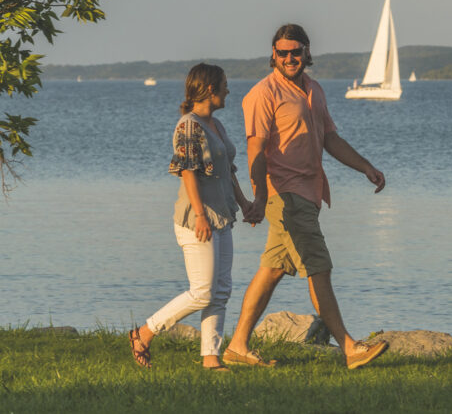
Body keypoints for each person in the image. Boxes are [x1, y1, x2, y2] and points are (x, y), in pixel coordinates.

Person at [222, 24, 389, 370]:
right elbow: (256, 149)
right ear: (273, 55)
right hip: (286, 195)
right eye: (281, 52)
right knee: (319, 267)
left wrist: (366, 167)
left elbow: (330, 139)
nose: (288, 58)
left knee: (272, 269)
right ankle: (349, 347)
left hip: (309, 193)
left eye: (295, 52)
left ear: (306, 52)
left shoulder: (314, 91)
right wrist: (259, 197)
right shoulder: (262, 94)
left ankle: (237, 345)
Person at [128, 63, 260, 371]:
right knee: (202, 292)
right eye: (225, 85)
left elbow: (228, 170)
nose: (228, 90)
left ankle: (211, 359)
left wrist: (244, 203)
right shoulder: (189, 125)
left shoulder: (216, 125)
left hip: (222, 216)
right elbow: (187, 171)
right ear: (211, 89)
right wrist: (200, 215)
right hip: (196, 219)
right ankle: (144, 332)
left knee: (221, 290)